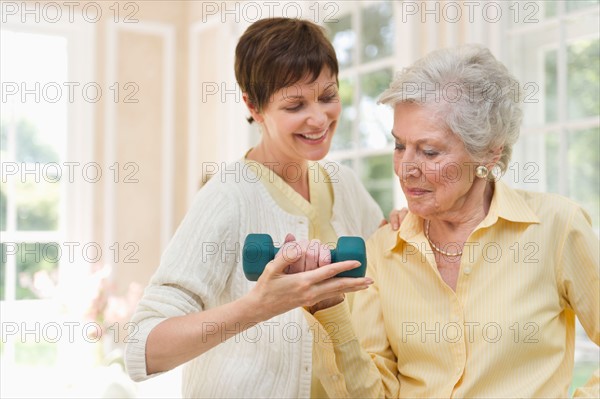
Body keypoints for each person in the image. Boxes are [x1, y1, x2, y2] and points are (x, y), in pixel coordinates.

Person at [294, 44, 599, 398]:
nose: (406, 168)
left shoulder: (556, 228)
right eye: (399, 146)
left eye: (429, 152)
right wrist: (329, 310)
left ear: (488, 151)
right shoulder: (382, 251)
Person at [124, 17, 401, 398]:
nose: (319, 118)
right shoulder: (228, 196)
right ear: (253, 106)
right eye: (295, 104)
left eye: (327, 96)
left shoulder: (343, 183)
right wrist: (257, 306)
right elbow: (142, 347)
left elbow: (388, 268)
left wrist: (406, 223)